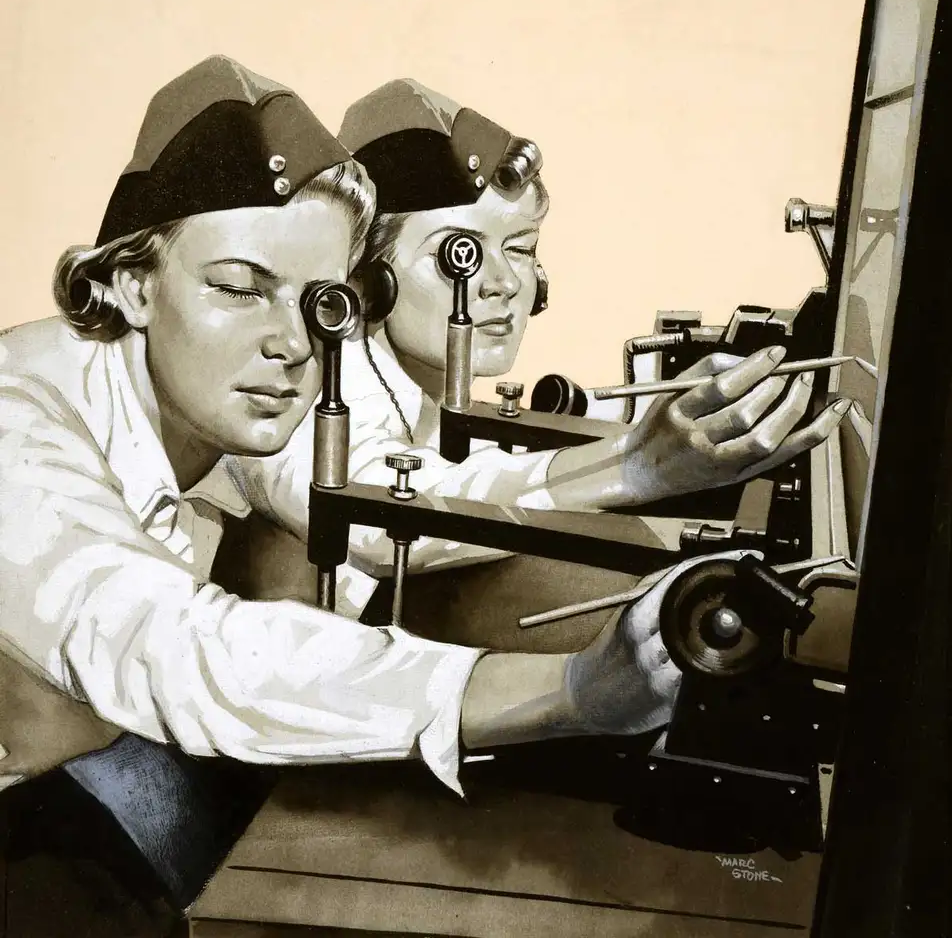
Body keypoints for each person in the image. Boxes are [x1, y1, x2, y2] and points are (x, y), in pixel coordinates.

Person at [0, 57, 740, 919]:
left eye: (316, 303)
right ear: (130, 282)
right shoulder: (18, 419)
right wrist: (564, 693)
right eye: (240, 289)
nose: (290, 343)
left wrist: (637, 469)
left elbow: (371, 503)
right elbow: (171, 646)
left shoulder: (227, 384)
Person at [227, 79, 851, 610]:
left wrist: (679, 418)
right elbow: (379, 516)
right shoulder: (296, 386)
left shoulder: (409, 379)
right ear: (366, 276)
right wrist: (635, 465)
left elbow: (480, 464)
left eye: (521, 249)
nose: (501, 284)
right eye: (457, 256)